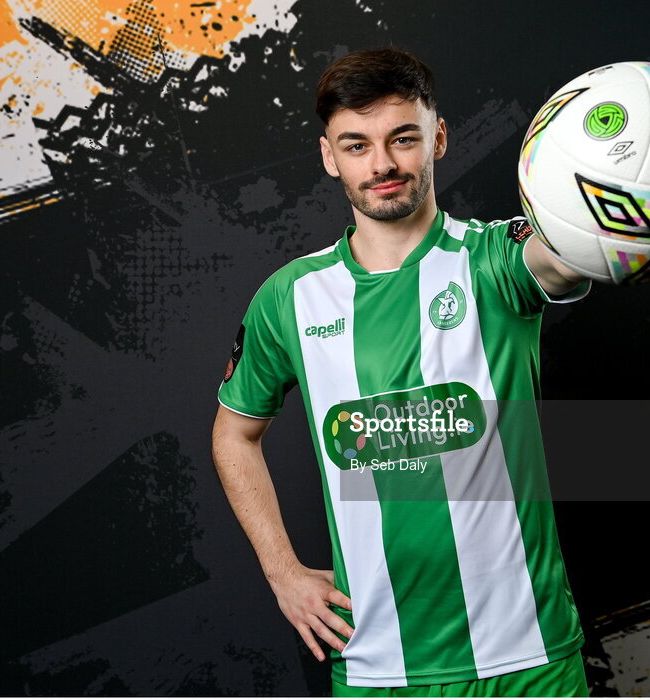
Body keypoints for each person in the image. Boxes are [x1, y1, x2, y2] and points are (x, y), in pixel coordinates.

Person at [212, 47, 592, 697]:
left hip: (530, 658)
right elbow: (233, 434)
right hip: (380, 667)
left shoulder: (495, 262)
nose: (382, 164)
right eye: (356, 145)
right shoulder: (291, 296)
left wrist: (615, 200)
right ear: (330, 157)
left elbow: (567, 259)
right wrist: (282, 571)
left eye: (402, 139)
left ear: (438, 138)